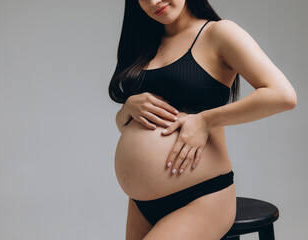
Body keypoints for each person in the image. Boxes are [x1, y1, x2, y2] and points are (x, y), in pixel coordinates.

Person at [109, 0, 297, 239]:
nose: (154, 1)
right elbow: (128, 127)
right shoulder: (146, 42)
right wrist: (126, 111)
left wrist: (205, 120)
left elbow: (283, 95)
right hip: (140, 203)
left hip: (201, 197)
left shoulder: (218, 33)